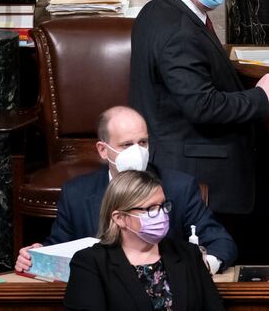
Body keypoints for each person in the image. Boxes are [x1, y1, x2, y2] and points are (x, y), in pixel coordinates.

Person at [130, 0, 269, 229]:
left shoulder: (156, 9)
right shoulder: (179, 31)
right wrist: (260, 96)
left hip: (173, 153)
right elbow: (203, 106)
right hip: (199, 169)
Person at [14, 106, 236, 274]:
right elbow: (60, 246)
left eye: (143, 143)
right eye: (126, 145)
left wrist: (204, 266)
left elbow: (222, 243)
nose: (137, 152)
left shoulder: (179, 187)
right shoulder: (76, 194)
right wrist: (36, 254)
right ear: (103, 150)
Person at [64, 169, 228, 311]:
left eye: (163, 206)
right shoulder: (90, 262)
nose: (161, 215)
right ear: (120, 218)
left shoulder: (188, 254)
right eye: (150, 209)